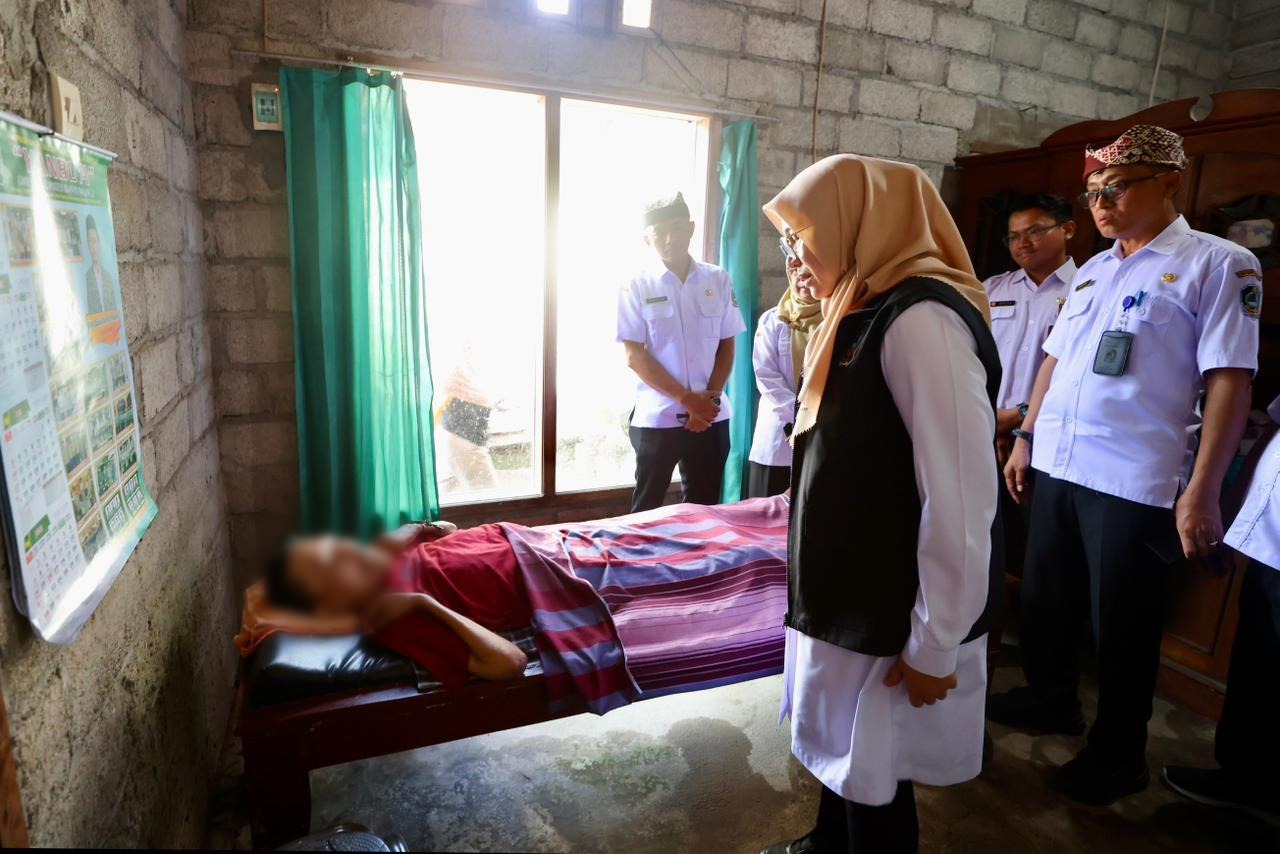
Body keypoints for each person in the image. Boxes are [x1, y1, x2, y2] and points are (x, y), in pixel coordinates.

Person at [989, 125, 1260, 806]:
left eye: (1116, 188)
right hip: (1059, 461)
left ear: (1170, 182)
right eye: (1092, 194)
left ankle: (1118, 755)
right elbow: (1055, 360)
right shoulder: (1094, 270)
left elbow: (1230, 379)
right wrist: (1026, 437)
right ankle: (1052, 699)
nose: (1101, 204)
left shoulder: (1218, 263)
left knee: (1122, 626)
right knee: (1048, 600)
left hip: (1133, 478)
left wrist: (1202, 491)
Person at [761, 155, 1001, 854]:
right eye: (787, 240)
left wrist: (936, 642)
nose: (793, 257)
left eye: (803, 236)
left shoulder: (921, 319)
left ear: (861, 224)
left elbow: (960, 498)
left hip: (888, 609)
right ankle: (826, 843)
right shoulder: (860, 307)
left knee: (876, 771)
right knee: (845, 754)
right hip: (847, 593)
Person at [1163, 395, 1280, 824]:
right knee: (1256, 661)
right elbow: (1272, 430)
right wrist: (1232, 501)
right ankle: (1245, 779)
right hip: (1269, 537)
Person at [617, 192, 746, 512]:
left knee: (704, 510)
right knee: (645, 510)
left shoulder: (717, 279)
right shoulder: (636, 285)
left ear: (691, 228)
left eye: (676, 227)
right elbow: (634, 356)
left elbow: (727, 344)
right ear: (647, 239)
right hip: (657, 418)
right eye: (659, 231)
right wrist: (688, 400)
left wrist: (709, 401)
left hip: (711, 416)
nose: (669, 238)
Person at [984, 193, 1077, 470]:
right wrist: (992, 418)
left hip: (1050, 435)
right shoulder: (990, 290)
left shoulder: (1087, 288)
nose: (1022, 243)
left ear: (1067, 229)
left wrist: (1020, 415)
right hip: (985, 429)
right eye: (1013, 236)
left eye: (1034, 232)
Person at [748, 258, 821, 498]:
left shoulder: (837, 320)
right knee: (768, 509)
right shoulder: (773, 320)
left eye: (810, 273)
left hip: (822, 428)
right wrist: (799, 417)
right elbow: (766, 375)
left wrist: (817, 418)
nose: (803, 279)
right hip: (778, 435)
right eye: (797, 272)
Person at [83, 214, 117, 315]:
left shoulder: (108, 277)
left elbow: (114, 309)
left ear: (99, 242)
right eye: (90, 241)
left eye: (94, 241)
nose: (93, 246)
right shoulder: (86, 278)